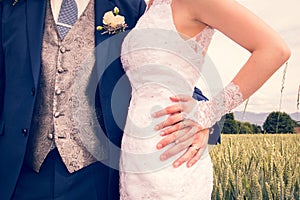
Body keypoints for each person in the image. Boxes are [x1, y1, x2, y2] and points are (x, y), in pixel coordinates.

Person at [0, 0, 214, 199]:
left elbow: (159, 66)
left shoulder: (128, 6)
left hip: (98, 176)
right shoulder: (12, 7)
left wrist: (203, 117)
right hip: (20, 173)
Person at [119, 0, 291, 199]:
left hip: (173, 148)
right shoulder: (151, 6)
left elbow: (275, 49)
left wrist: (207, 113)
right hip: (134, 153)